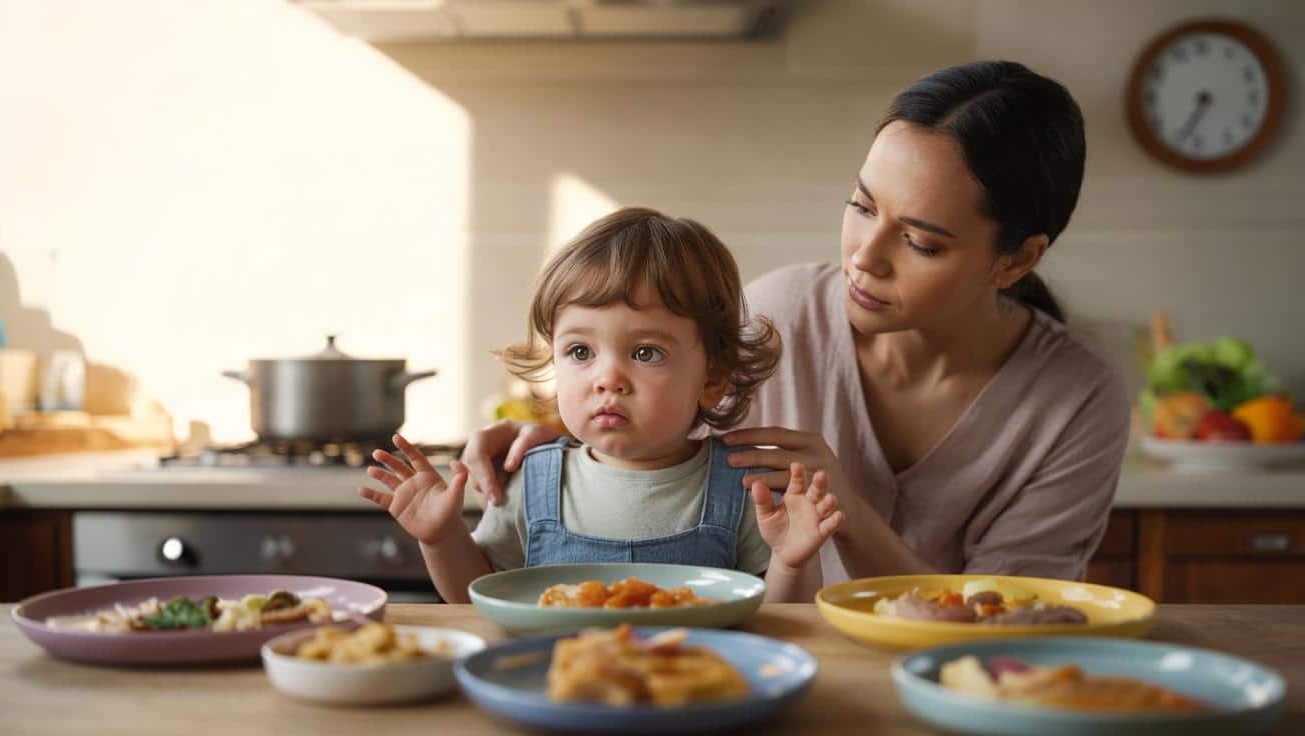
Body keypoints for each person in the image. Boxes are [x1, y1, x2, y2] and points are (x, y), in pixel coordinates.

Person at [459, 61, 1131, 585]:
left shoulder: (1076, 399)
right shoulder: (777, 312)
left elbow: (1007, 630)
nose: (864, 257)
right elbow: (658, 445)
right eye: (862, 206)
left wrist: (851, 518)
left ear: (1016, 260)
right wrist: (559, 447)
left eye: (921, 242)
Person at [359, 207, 844, 603]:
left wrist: (792, 561)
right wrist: (440, 538)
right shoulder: (531, 480)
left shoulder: (744, 489)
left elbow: (784, 624)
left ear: (712, 378)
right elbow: (476, 603)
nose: (607, 379)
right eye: (580, 352)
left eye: (645, 353)